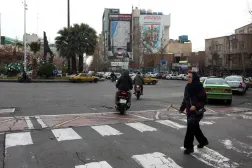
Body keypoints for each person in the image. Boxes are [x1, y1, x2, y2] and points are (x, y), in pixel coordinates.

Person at [179, 70, 209, 154]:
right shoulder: (187, 87)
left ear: (194, 78)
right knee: (195, 128)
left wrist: (195, 106)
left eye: (189, 77)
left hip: (197, 111)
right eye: (187, 77)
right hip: (189, 111)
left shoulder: (199, 87)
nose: (187, 78)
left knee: (190, 127)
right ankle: (203, 141)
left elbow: (204, 101)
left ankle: (189, 147)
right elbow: (185, 99)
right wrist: (182, 108)